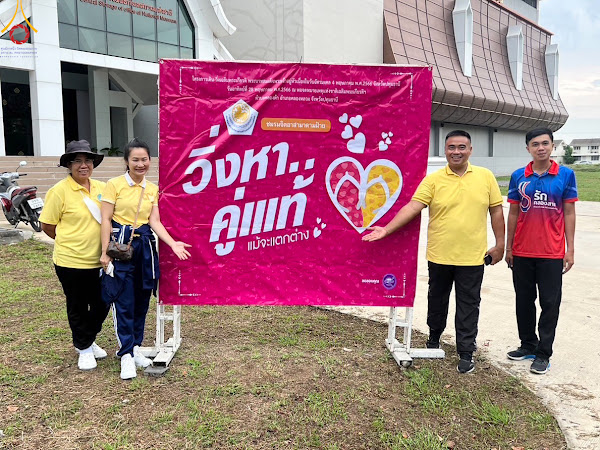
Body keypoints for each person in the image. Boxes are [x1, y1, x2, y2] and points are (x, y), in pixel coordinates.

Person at [363, 130, 505, 374]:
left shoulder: (485, 176)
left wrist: (500, 244)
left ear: (470, 150)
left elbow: (496, 211)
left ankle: (466, 351)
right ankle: (434, 338)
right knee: (437, 300)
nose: (456, 152)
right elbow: (413, 206)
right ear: (445, 151)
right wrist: (386, 229)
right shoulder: (434, 180)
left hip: (472, 257)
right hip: (439, 254)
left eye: (462, 147)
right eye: (451, 147)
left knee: (469, 304)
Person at [100, 138, 191, 380]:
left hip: (144, 249)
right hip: (122, 247)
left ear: (150, 160)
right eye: (135, 160)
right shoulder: (114, 185)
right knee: (123, 300)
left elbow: (154, 221)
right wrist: (104, 252)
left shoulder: (151, 189)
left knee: (141, 300)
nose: (140, 164)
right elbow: (106, 220)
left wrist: (172, 243)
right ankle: (125, 354)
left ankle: (136, 347)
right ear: (127, 161)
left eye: (144, 159)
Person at [505, 128, 577, 375]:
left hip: (552, 253)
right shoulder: (519, 176)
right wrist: (509, 247)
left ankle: (544, 353)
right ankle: (528, 344)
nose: (541, 148)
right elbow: (513, 212)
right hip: (522, 252)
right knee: (524, 301)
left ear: (552, 146)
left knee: (549, 304)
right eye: (535, 144)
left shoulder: (566, 175)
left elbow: (569, 212)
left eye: (545, 143)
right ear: (528, 148)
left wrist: (570, 249)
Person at [39, 140, 110, 371]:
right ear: (69, 165)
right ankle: (84, 348)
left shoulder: (102, 188)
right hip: (71, 262)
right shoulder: (59, 191)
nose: (83, 165)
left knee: (103, 303)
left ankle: (86, 339)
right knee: (78, 305)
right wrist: (70, 241)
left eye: (88, 160)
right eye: (77, 161)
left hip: (101, 260)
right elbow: (47, 226)